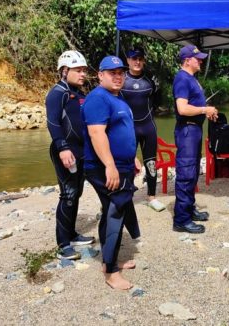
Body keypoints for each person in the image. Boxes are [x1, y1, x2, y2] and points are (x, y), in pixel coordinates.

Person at [82, 55, 141, 290]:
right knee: (115, 211)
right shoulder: (98, 98)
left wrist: (132, 158)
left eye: (121, 72)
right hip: (103, 167)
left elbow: (123, 131)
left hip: (121, 164)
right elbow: (97, 133)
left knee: (111, 210)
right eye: (112, 72)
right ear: (100, 75)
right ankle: (111, 271)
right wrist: (110, 165)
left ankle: (110, 261)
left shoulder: (117, 97)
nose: (118, 76)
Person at [45, 50, 95, 260]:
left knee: (76, 194)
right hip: (65, 150)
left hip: (80, 151)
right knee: (67, 195)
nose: (83, 74)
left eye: (84, 70)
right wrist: (63, 147)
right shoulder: (58, 93)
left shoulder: (79, 94)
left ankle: (72, 234)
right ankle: (63, 244)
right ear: (65, 71)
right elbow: (53, 122)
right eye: (78, 70)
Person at [171, 45, 218, 234]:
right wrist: (204, 110)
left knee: (193, 172)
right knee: (186, 173)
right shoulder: (182, 78)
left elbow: (194, 105)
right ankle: (181, 220)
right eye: (197, 58)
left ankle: (189, 209)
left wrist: (207, 111)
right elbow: (182, 108)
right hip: (187, 131)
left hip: (194, 129)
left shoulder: (191, 79)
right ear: (187, 60)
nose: (200, 60)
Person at [120, 48, 165, 212]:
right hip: (128, 128)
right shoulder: (121, 80)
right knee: (126, 163)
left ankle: (151, 197)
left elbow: (158, 100)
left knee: (151, 163)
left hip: (147, 126)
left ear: (143, 60)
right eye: (133, 59)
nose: (137, 62)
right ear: (128, 61)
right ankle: (125, 196)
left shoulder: (150, 80)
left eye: (140, 59)